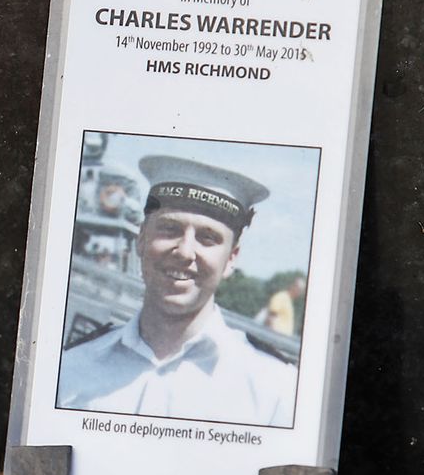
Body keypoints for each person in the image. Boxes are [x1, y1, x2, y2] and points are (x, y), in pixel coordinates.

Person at [57, 154, 298, 427]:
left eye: (208, 238)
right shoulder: (71, 369)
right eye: (170, 229)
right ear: (141, 239)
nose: (185, 251)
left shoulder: (275, 392)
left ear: (231, 259)